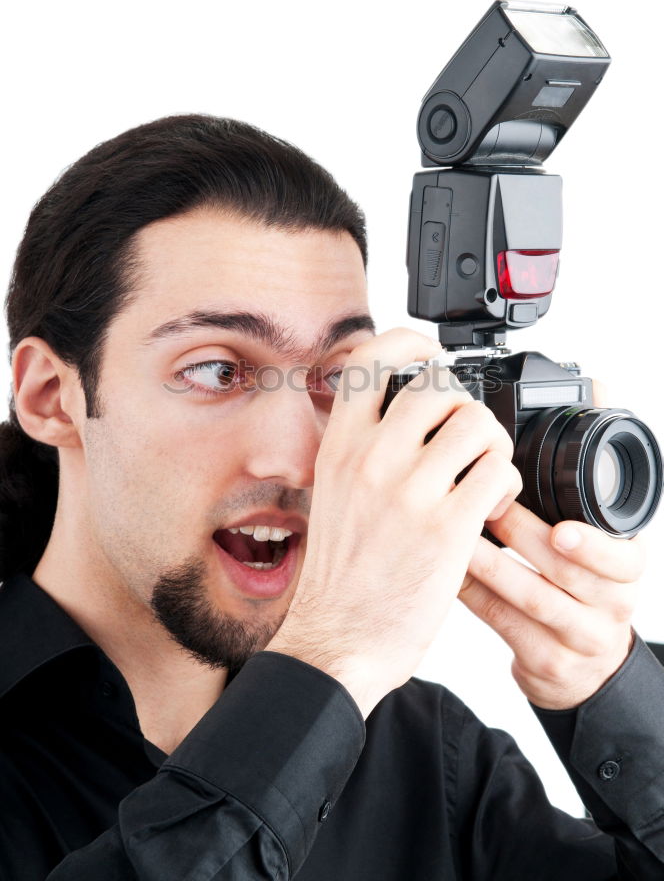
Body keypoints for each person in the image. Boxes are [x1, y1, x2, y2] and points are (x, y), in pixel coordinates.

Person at [0, 115, 663, 881]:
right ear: (51, 396)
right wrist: (333, 660)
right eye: (217, 370)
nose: (298, 458)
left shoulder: (427, 751)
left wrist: (605, 686)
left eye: (341, 377)